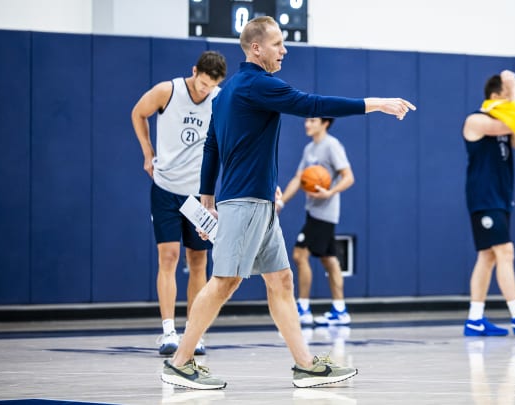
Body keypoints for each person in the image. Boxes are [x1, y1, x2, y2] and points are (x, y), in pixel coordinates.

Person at [160, 16, 415, 390]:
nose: (284, 49)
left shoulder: (227, 91)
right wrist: (375, 103)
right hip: (245, 203)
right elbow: (309, 103)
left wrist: (207, 199)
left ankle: (306, 365)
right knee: (224, 283)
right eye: (278, 43)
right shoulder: (256, 84)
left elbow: (212, 145)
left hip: (256, 201)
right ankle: (180, 363)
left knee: (281, 279)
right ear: (256, 48)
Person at [131, 51, 227, 355]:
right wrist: (147, 151)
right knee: (168, 257)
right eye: (201, 84)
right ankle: (168, 331)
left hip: (199, 195)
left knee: (198, 262)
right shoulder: (167, 91)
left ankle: (194, 333)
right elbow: (137, 112)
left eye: (210, 87)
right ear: (194, 71)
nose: (204, 91)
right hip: (166, 189)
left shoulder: (220, 99)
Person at [462, 70, 515, 337]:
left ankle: (475, 319)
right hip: (484, 197)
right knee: (505, 252)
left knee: (487, 257)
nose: (512, 102)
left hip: (501, 196)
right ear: (496, 96)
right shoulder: (476, 120)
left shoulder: (509, 121)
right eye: (507, 95)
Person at [277, 117, 354, 327]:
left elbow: (349, 177)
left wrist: (330, 192)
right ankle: (340, 310)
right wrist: (281, 203)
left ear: (325, 123)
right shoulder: (310, 148)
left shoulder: (332, 145)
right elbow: (297, 178)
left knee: (299, 254)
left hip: (325, 213)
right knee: (329, 259)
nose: (307, 124)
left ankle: (302, 308)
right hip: (313, 211)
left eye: (312, 120)